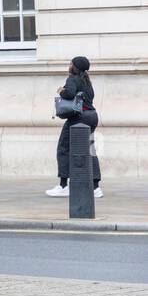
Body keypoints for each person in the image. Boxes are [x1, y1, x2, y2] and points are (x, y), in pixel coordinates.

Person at [48, 55, 103, 198]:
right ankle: (95, 187)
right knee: (90, 150)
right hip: (92, 116)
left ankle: (63, 185)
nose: (69, 65)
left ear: (75, 66)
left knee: (63, 148)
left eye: (70, 63)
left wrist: (61, 91)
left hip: (79, 118)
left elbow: (70, 93)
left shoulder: (72, 79)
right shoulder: (87, 81)